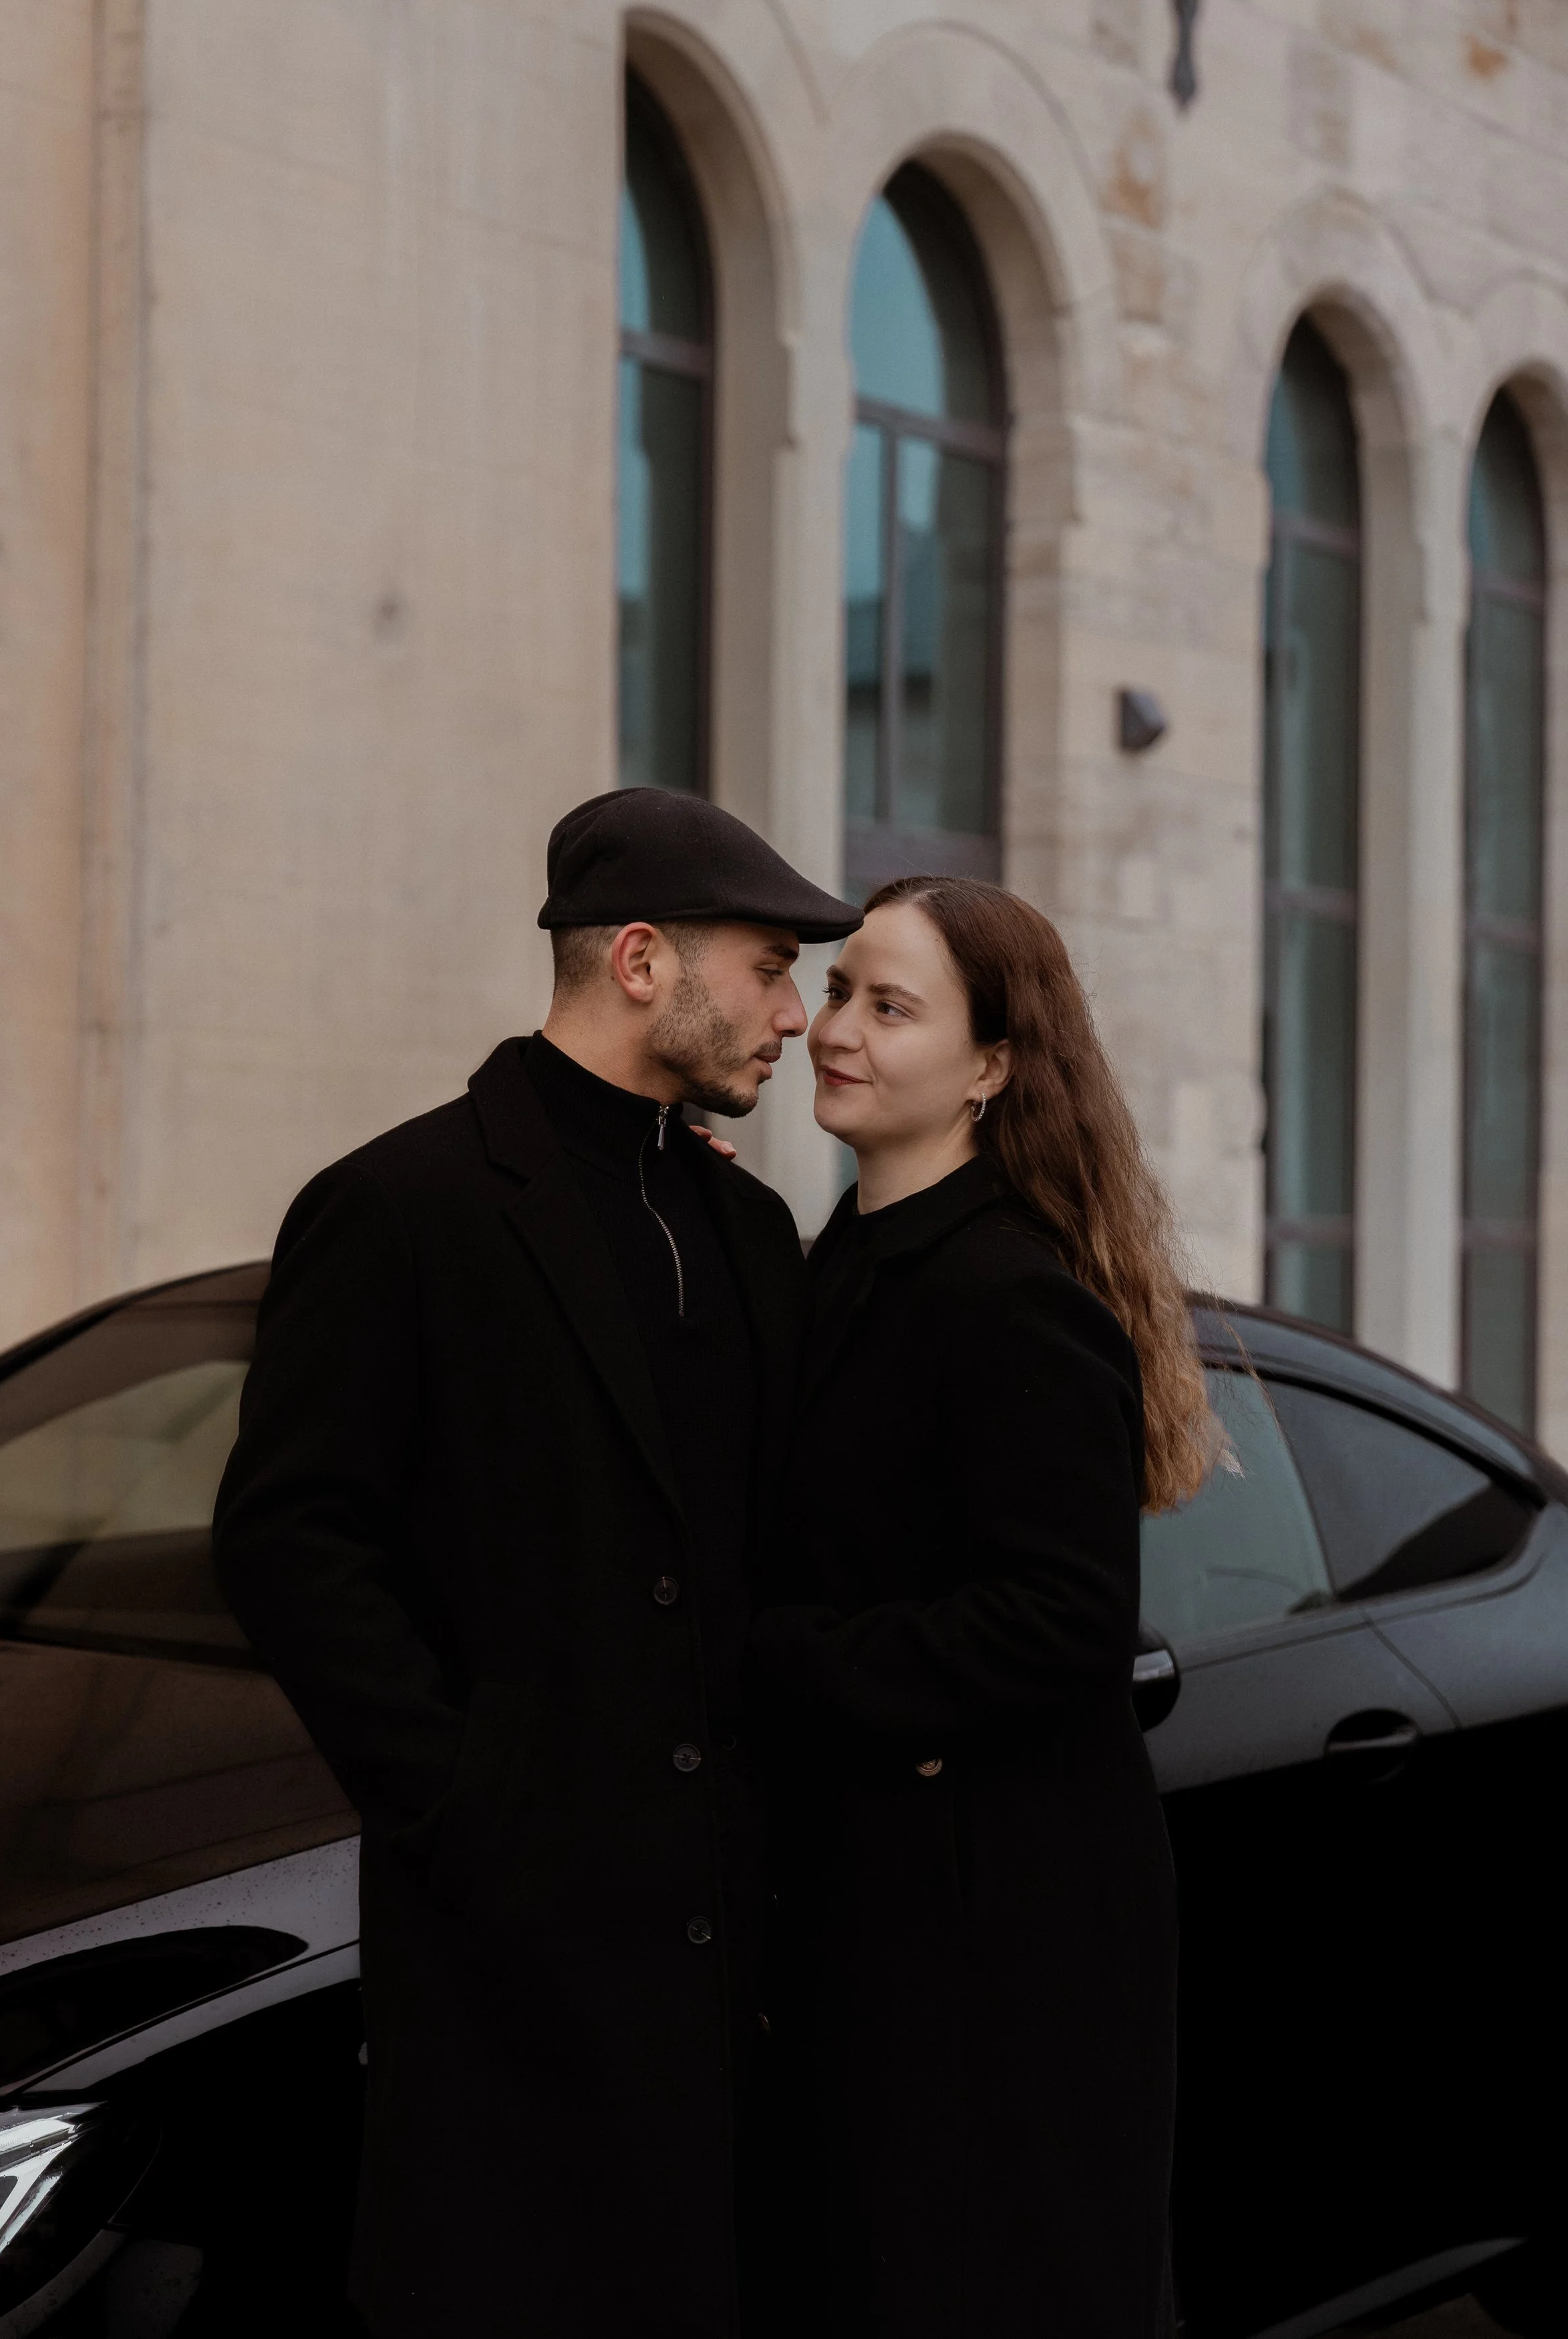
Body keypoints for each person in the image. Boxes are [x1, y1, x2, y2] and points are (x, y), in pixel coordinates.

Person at [212, 787, 862, 2339]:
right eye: (768, 966)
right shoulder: (400, 1207)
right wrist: (461, 1793)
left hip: (735, 1970)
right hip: (511, 1962)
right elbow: (289, 1539)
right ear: (641, 960)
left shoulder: (755, 1227)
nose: (794, 1013)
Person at [749, 874, 1218, 2339]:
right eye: (838, 993)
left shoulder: (1006, 1291)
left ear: (994, 1066)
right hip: (895, 1894)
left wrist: (780, 1665)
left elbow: (1064, 1615)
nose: (837, 1030)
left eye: (891, 1008)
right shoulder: (845, 1260)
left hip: (1000, 1929)